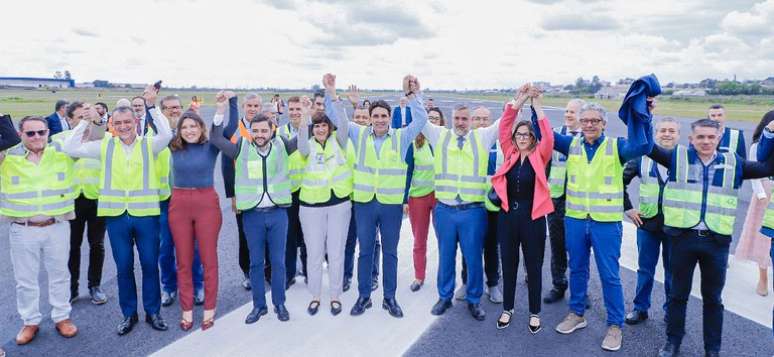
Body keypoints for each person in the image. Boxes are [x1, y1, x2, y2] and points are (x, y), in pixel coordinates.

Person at [649, 118, 774, 357]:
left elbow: (768, 167)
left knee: (713, 300)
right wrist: (644, 112)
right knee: (677, 295)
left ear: (719, 138)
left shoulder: (733, 162)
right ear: (691, 139)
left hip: (715, 242)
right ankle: (672, 342)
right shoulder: (677, 158)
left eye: (711, 137)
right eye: (700, 137)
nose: (706, 141)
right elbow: (646, 145)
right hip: (682, 239)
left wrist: (770, 132)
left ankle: (712, 349)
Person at [552, 75, 658, 352]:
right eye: (584, 120)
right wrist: (532, 104)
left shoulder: (616, 147)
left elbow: (643, 146)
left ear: (603, 124)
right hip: (575, 219)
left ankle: (614, 325)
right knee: (577, 269)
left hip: (605, 224)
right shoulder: (571, 144)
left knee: (609, 275)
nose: (588, 125)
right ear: (579, 122)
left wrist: (645, 115)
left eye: (594, 121)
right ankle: (577, 314)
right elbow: (545, 135)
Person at [63, 85, 173, 336]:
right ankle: (129, 314)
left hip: (145, 216)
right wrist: (85, 123)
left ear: (135, 121)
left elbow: (166, 134)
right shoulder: (104, 146)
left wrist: (152, 106)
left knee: (148, 265)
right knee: (124, 268)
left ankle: (153, 312)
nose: (123, 126)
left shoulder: (149, 145)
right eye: (118, 122)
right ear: (112, 123)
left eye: (127, 121)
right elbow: (70, 149)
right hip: (116, 218)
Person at [327, 74, 426, 318]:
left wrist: (414, 96)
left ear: (389, 118)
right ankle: (364, 297)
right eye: (376, 116)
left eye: (384, 116)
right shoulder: (358, 134)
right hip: (365, 204)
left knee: (390, 252)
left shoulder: (401, 137)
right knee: (366, 251)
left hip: (391, 205)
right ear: (370, 118)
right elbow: (334, 118)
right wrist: (332, 94)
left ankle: (389, 298)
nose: (380, 120)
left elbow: (421, 119)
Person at [213, 91, 299, 323]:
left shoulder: (281, 145)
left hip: (278, 214)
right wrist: (220, 111)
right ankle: (259, 306)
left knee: (278, 262)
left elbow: (304, 138)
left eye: (265, 130)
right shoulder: (241, 148)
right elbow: (216, 139)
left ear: (272, 130)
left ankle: (279, 303)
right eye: (256, 130)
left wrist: (307, 114)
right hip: (252, 216)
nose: (260, 135)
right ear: (249, 131)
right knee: (256, 263)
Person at [418, 90, 502, 322]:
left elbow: (504, 121)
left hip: (472, 210)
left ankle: (474, 300)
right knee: (445, 256)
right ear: (451, 118)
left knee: (473, 257)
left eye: (465, 118)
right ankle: (444, 296)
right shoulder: (439, 136)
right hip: (444, 209)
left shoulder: (482, 137)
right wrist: (413, 94)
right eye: (457, 118)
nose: (461, 122)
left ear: (470, 120)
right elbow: (420, 118)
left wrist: (519, 100)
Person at [0, 115, 80, 345]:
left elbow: (91, 137)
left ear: (48, 132)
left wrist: (93, 119)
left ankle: (61, 317)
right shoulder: (8, 159)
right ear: (20, 135)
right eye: (30, 133)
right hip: (23, 229)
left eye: (41, 132)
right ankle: (30, 321)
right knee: (25, 280)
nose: (37, 137)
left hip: (57, 226)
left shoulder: (62, 153)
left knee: (59, 275)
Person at [491, 85, 554, 332]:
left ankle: (535, 312)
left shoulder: (541, 154)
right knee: (508, 265)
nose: (522, 137)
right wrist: (518, 101)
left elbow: (548, 136)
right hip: (508, 218)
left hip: (533, 218)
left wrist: (536, 103)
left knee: (534, 266)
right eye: (520, 134)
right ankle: (508, 309)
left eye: (527, 134)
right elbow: (504, 127)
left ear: (533, 137)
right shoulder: (510, 152)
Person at [297, 76, 353, 317]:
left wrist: (333, 95)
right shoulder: (306, 145)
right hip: (311, 207)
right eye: (317, 126)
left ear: (330, 128)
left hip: (339, 203)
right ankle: (316, 296)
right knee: (315, 253)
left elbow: (343, 120)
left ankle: (335, 296)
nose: (321, 129)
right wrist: (306, 115)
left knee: (337, 251)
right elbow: (301, 138)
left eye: (324, 126)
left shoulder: (339, 141)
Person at [166, 106, 226, 331]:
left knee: (209, 260)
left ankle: (209, 309)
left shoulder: (211, 146)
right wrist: (152, 105)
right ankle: (187, 310)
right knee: (183, 261)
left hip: (207, 204)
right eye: (184, 127)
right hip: (179, 203)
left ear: (202, 128)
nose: (189, 131)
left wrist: (222, 109)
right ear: (179, 130)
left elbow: (224, 129)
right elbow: (160, 129)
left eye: (193, 126)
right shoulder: (173, 146)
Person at [622, 117, 681, 325]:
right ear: (655, 134)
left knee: (673, 272)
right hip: (647, 224)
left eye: (671, 131)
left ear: (678, 135)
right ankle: (640, 308)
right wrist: (628, 208)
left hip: (677, 227)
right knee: (645, 270)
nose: (666, 134)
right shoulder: (642, 157)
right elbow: (621, 180)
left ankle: (671, 311)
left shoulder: (686, 159)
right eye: (662, 130)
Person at [51, 102, 109, 305]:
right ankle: (72, 288)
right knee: (72, 246)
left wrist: (97, 121)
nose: (84, 122)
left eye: (87, 117)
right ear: (68, 120)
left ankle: (95, 285)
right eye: (78, 118)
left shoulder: (103, 140)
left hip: (97, 200)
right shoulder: (59, 140)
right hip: (71, 201)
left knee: (97, 245)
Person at [157, 94, 204, 307]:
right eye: (168, 108)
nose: (174, 111)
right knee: (165, 248)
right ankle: (168, 287)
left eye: (177, 107)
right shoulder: (155, 135)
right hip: (164, 200)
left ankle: (197, 285)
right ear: (161, 111)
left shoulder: (190, 132)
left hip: (189, 199)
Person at [456, 105, 503, 304]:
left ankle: (492, 284)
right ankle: (467, 283)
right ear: (470, 121)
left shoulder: (500, 144)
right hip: (469, 203)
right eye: (477, 119)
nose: (481, 122)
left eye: (485, 119)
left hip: (493, 205)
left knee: (492, 246)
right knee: (469, 246)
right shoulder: (462, 144)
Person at [544, 98, 585, 304]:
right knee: (557, 245)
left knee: (579, 249)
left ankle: (581, 291)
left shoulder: (591, 137)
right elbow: (545, 164)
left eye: (573, 112)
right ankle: (558, 285)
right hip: (557, 200)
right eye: (567, 111)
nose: (568, 115)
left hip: (580, 202)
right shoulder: (555, 134)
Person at [341, 85, 381, 293]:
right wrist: (353, 104)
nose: (361, 120)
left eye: (365, 118)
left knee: (372, 242)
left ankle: (372, 276)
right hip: (349, 198)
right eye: (357, 117)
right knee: (348, 241)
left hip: (370, 199)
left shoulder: (377, 140)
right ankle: (346, 276)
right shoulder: (343, 139)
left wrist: (357, 104)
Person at [734, 111, 774, 297]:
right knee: (762, 240)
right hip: (764, 195)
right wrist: (761, 195)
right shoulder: (759, 145)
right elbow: (755, 171)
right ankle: (763, 277)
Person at [406, 107, 444, 292]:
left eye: (436, 118)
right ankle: (419, 276)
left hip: (440, 198)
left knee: (444, 239)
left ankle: (445, 276)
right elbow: (408, 171)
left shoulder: (445, 143)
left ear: (441, 122)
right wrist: (405, 199)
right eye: (429, 118)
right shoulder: (414, 143)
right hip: (418, 198)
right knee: (419, 240)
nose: (433, 121)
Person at [222, 93, 257, 290]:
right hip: (242, 193)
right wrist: (232, 195)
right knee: (245, 234)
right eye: (249, 105)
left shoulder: (267, 127)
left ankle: (264, 269)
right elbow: (227, 166)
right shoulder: (235, 131)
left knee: (264, 233)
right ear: (243, 106)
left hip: (264, 193)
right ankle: (247, 271)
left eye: (256, 105)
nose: (252, 109)